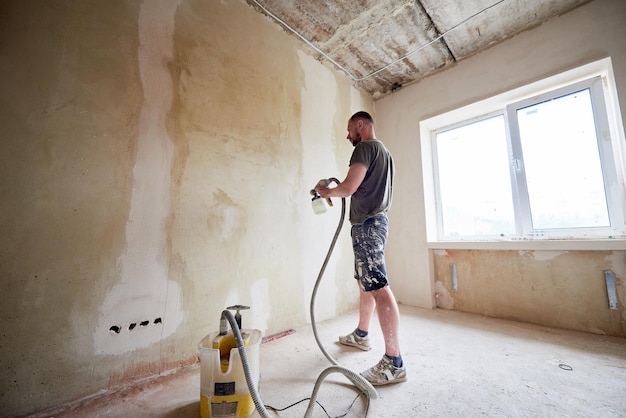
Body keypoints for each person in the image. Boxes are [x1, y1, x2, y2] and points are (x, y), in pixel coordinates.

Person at [314, 111, 406, 386]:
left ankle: (394, 362)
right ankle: (362, 335)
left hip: (368, 224)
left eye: (349, 129)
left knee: (378, 286)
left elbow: (349, 187)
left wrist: (324, 190)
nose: (348, 135)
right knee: (365, 283)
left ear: (361, 125)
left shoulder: (365, 147)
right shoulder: (385, 153)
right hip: (374, 222)